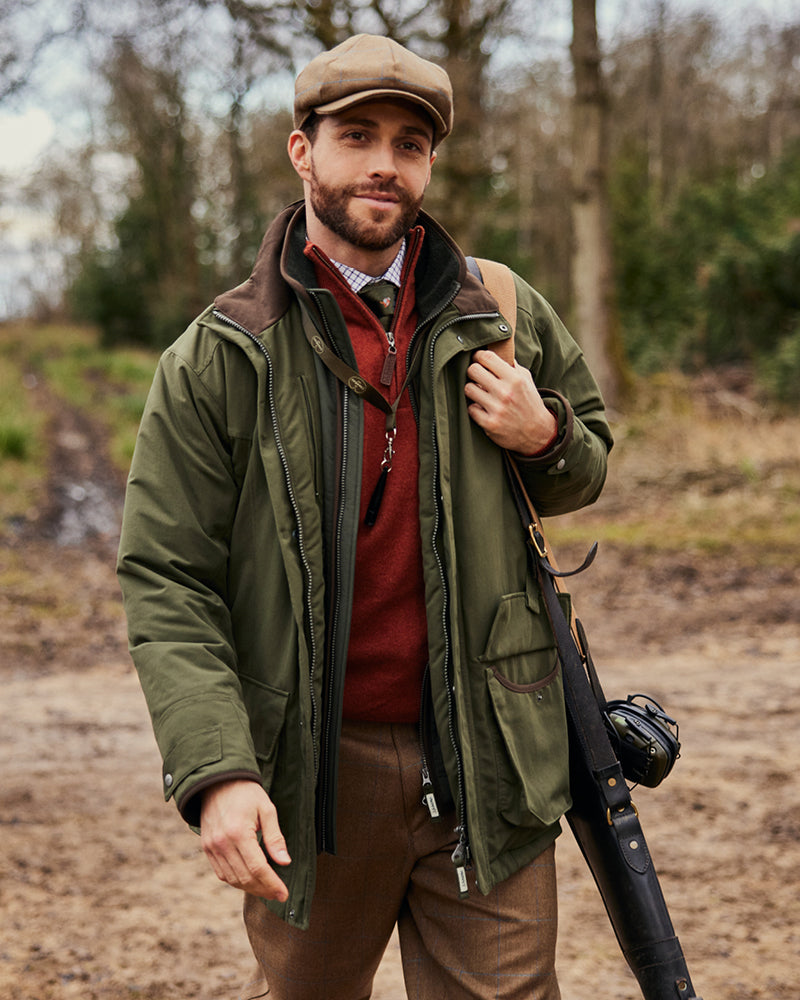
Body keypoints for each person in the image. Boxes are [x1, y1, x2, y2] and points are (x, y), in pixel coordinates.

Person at [117, 32, 613, 1000]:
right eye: (356, 136)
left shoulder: (497, 307)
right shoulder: (222, 354)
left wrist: (541, 431)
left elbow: (580, 465)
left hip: (489, 752)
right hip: (313, 769)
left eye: (409, 143)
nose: (384, 164)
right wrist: (217, 769)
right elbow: (165, 575)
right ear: (302, 151)